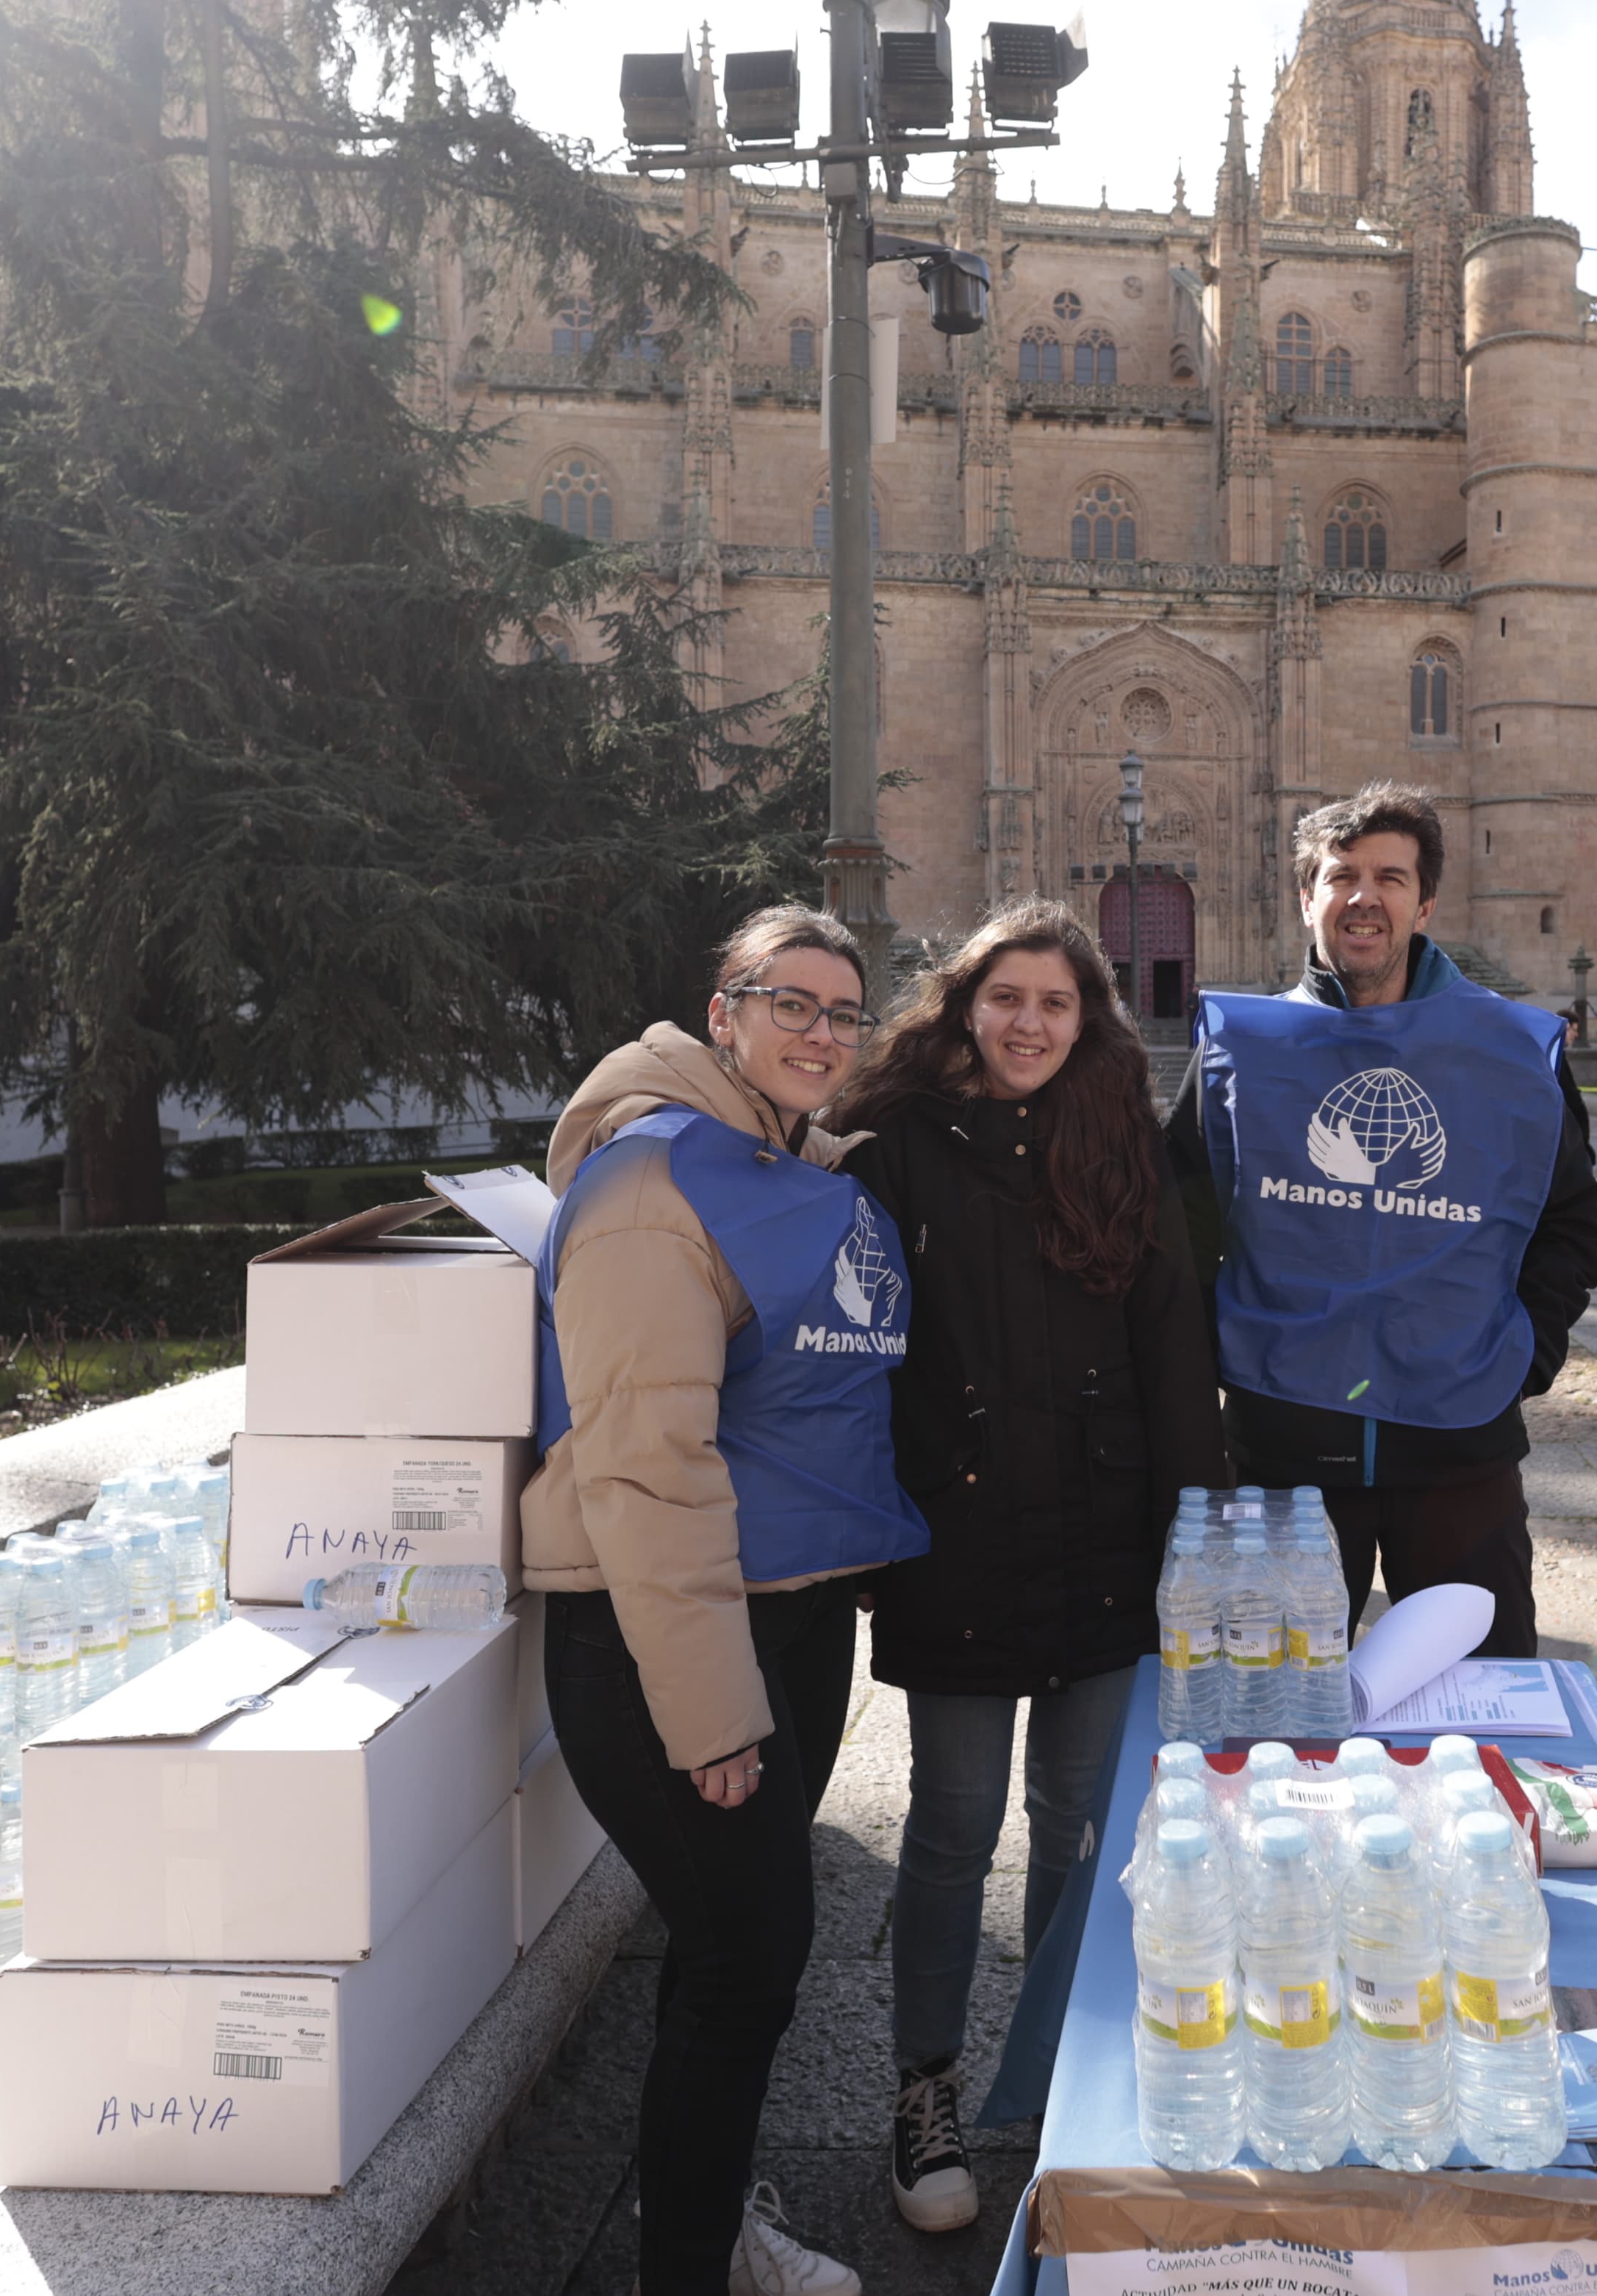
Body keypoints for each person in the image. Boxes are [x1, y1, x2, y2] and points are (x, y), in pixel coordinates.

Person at [524, 905, 927, 2296]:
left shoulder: (787, 1165)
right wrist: (708, 1712)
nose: (821, 1031)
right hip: (672, 1645)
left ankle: (708, 2221)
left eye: (842, 1012)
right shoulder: (654, 1184)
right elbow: (646, 1464)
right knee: (749, 1956)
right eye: (789, 1002)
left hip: (790, 1619)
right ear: (723, 1015)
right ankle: (689, 2267)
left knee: (734, 1959)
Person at [825, 901, 1223, 2234]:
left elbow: (1174, 1342)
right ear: (964, 1003)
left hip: (1105, 1535)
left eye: (1056, 1003)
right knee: (949, 1824)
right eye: (1007, 998)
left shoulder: (1118, 1136)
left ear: (1089, 1017)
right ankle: (925, 2087)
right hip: (960, 1532)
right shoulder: (893, 1146)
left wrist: (1194, 1529)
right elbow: (847, 1344)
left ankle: (1059, 2085)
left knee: (1082, 1822)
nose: (1030, 1025)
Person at [1166, 783, 1597, 1658]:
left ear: (1425, 901)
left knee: (1475, 1715)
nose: (1364, 896)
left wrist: (1523, 1354)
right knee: (1272, 1722)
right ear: (1306, 897)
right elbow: (1176, 1222)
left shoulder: (1512, 1052)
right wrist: (1224, 1353)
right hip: (1281, 1455)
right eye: (1341, 875)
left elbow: (1570, 1225)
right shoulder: (1238, 1049)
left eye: (1390, 877)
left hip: (1457, 1449)